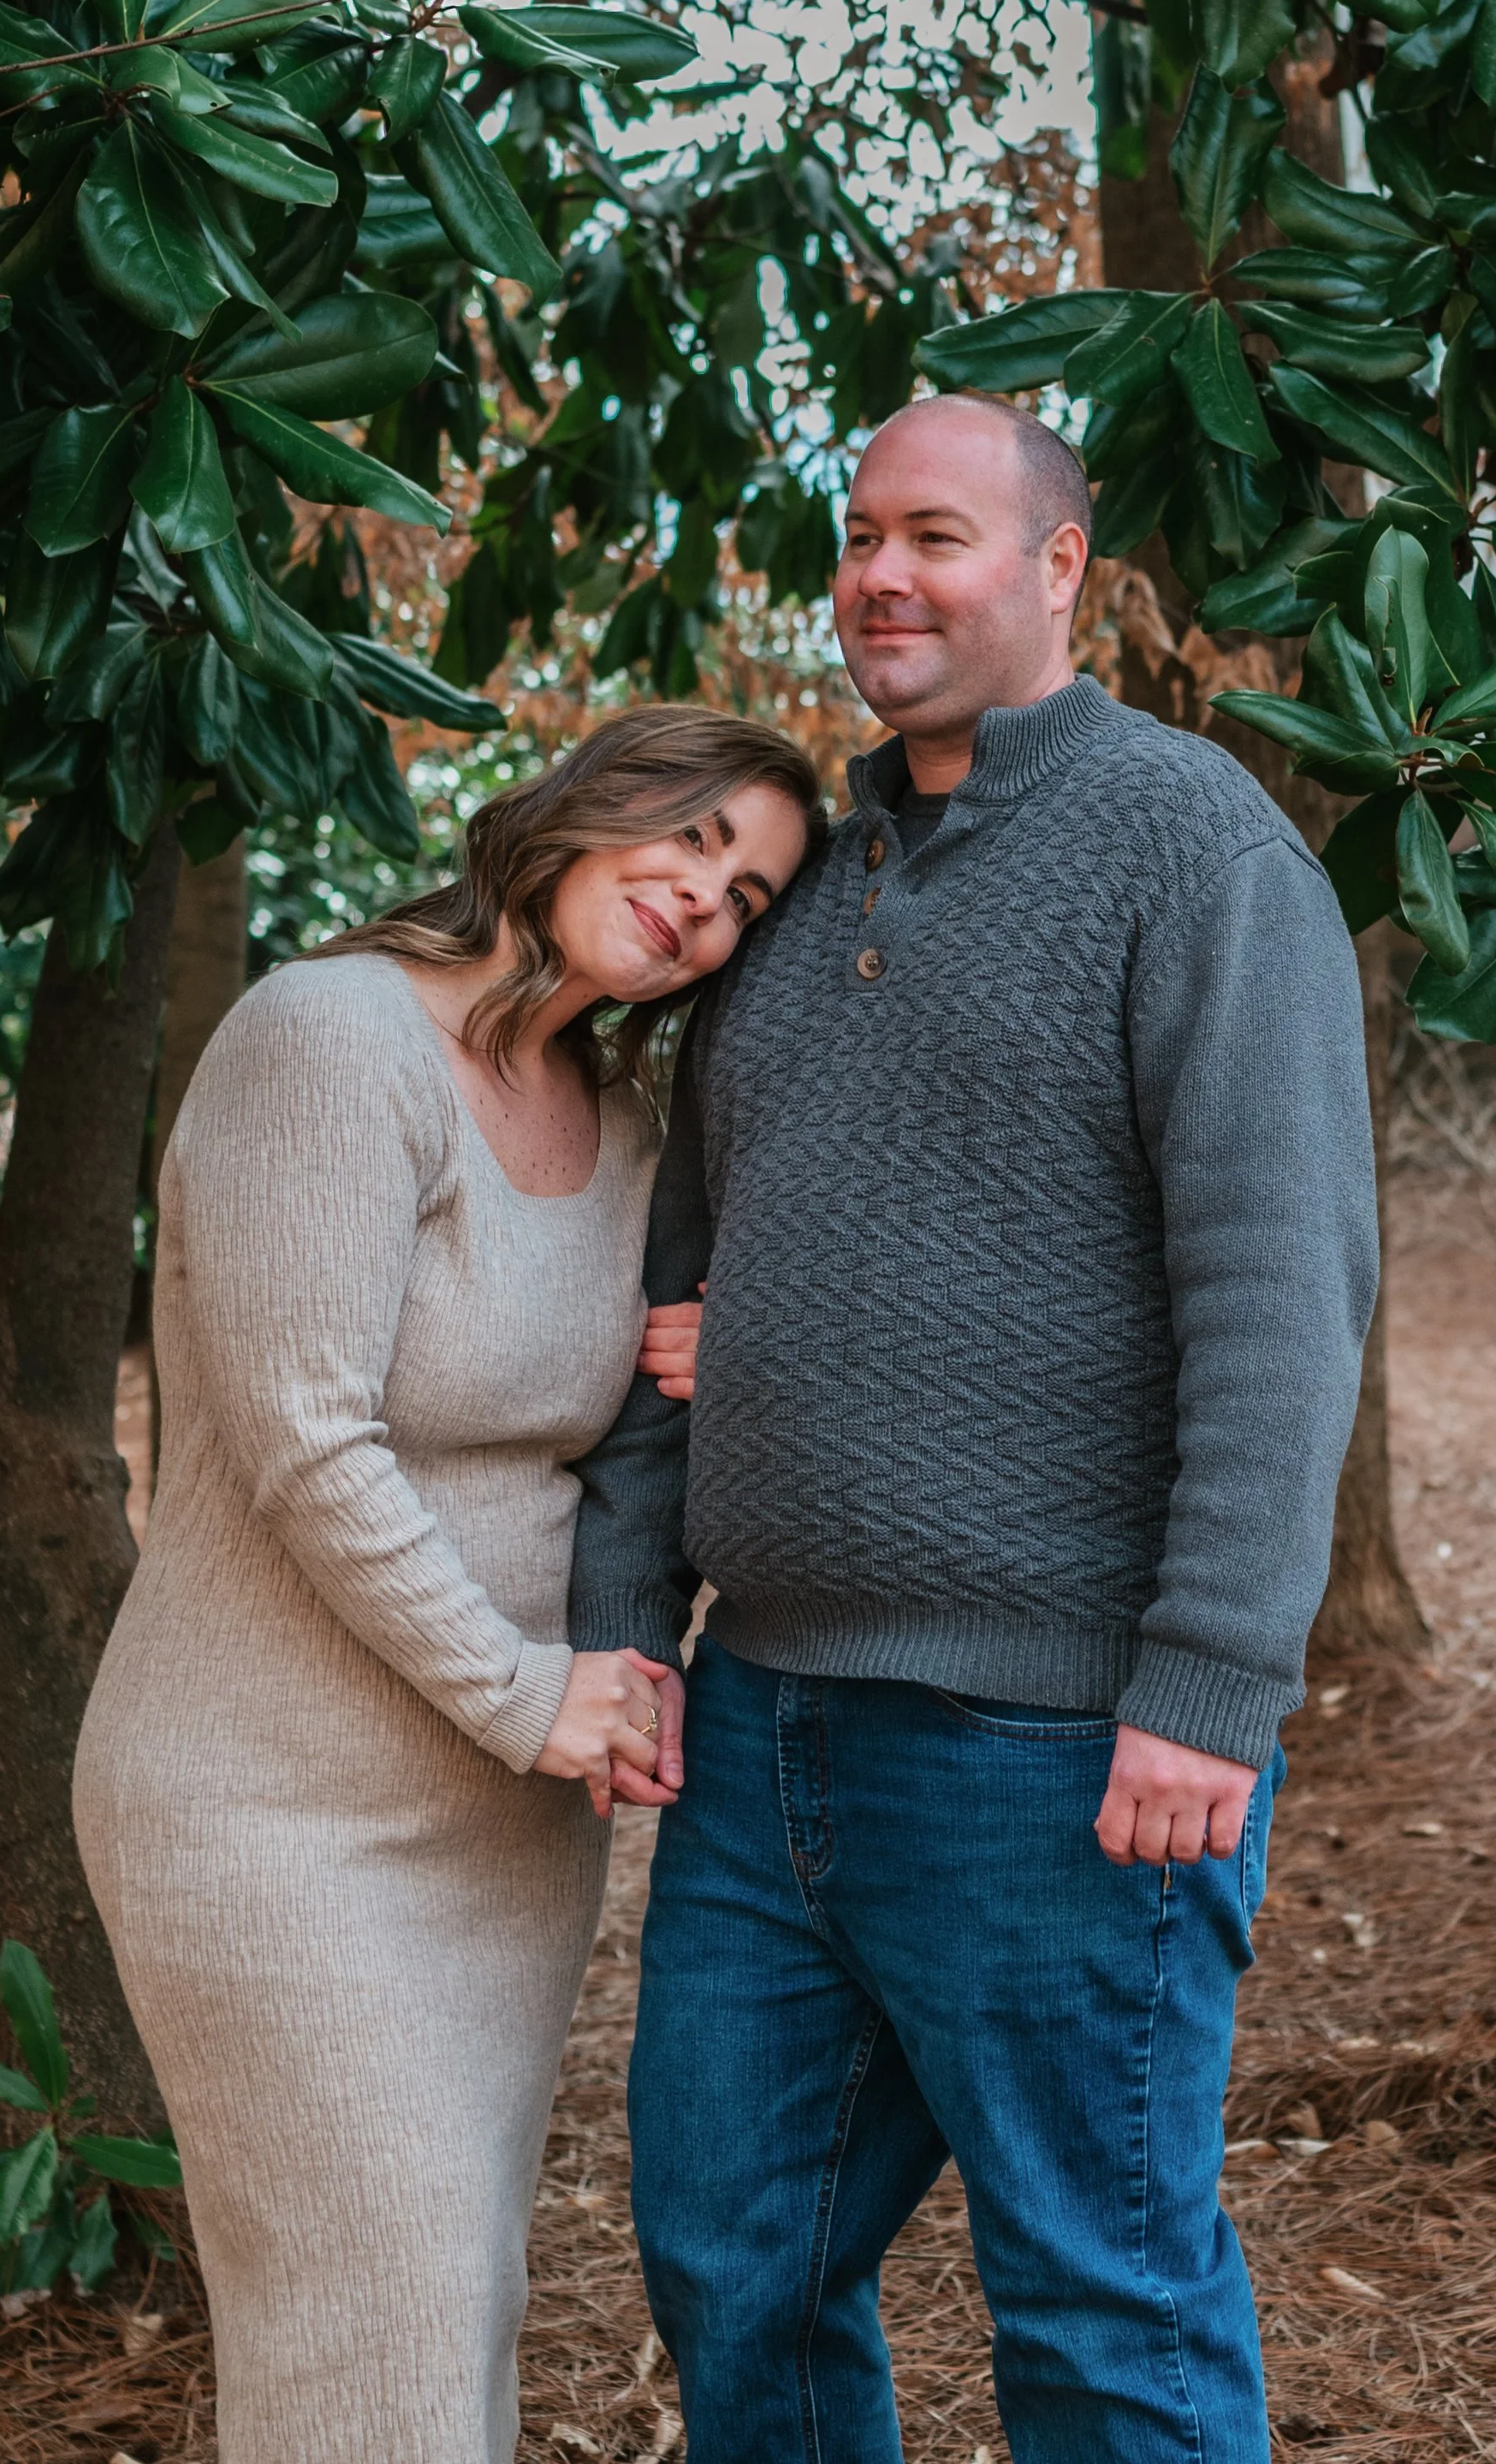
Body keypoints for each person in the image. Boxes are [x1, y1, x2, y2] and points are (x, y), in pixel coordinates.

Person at [570, 395, 1379, 2464]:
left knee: (1098, 2309)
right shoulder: (793, 891)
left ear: (1055, 573)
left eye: (934, 532)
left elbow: (1280, 1301)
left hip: (1053, 1756)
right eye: (856, 534)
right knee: (730, 2267)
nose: (879, 574)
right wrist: (622, 1621)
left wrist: (1210, 1682)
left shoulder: (1192, 852)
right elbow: (687, 1283)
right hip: (763, 1736)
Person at [74, 709, 819, 2464]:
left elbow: (624, 1421)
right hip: (269, 1817)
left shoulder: (627, 1126)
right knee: (374, 2332)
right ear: (587, 801)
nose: (703, 899)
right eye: (693, 836)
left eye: (749, 895)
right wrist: (519, 1689)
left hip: (502, 1837)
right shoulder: (329, 1041)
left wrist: (757, 1352)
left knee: (442, 2317)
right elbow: (300, 1439)